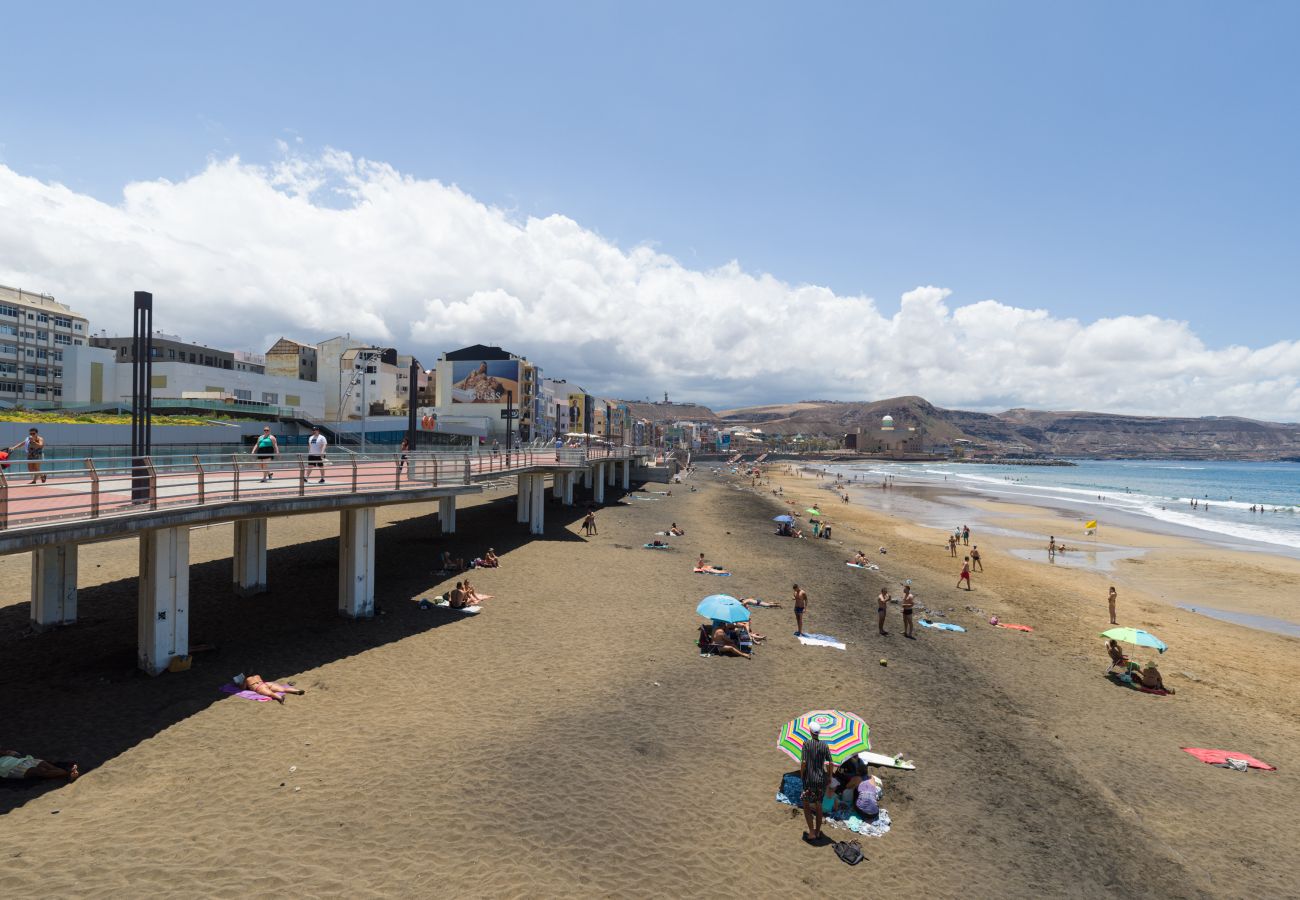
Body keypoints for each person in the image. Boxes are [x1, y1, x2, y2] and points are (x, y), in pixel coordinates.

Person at [799, 726, 834, 842]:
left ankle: (811, 832)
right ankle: (818, 831)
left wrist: (802, 773)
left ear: (810, 732)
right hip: (820, 780)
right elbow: (830, 762)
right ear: (819, 733)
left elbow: (803, 761)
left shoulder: (806, 744)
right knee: (819, 805)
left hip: (808, 780)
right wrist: (829, 776)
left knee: (806, 804)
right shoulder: (824, 745)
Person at [1, 750, 79, 782]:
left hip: (22, 760)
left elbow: (15, 753)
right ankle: (69, 773)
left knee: (46, 765)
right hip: (11, 769)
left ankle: (68, 773)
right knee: (41, 771)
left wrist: (8, 752)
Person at [235, 673, 305, 703]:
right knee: (283, 689)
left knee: (271, 694)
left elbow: (243, 688)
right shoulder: (257, 675)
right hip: (266, 683)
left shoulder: (247, 679)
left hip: (259, 687)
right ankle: (297, 690)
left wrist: (241, 684)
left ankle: (280, 698)